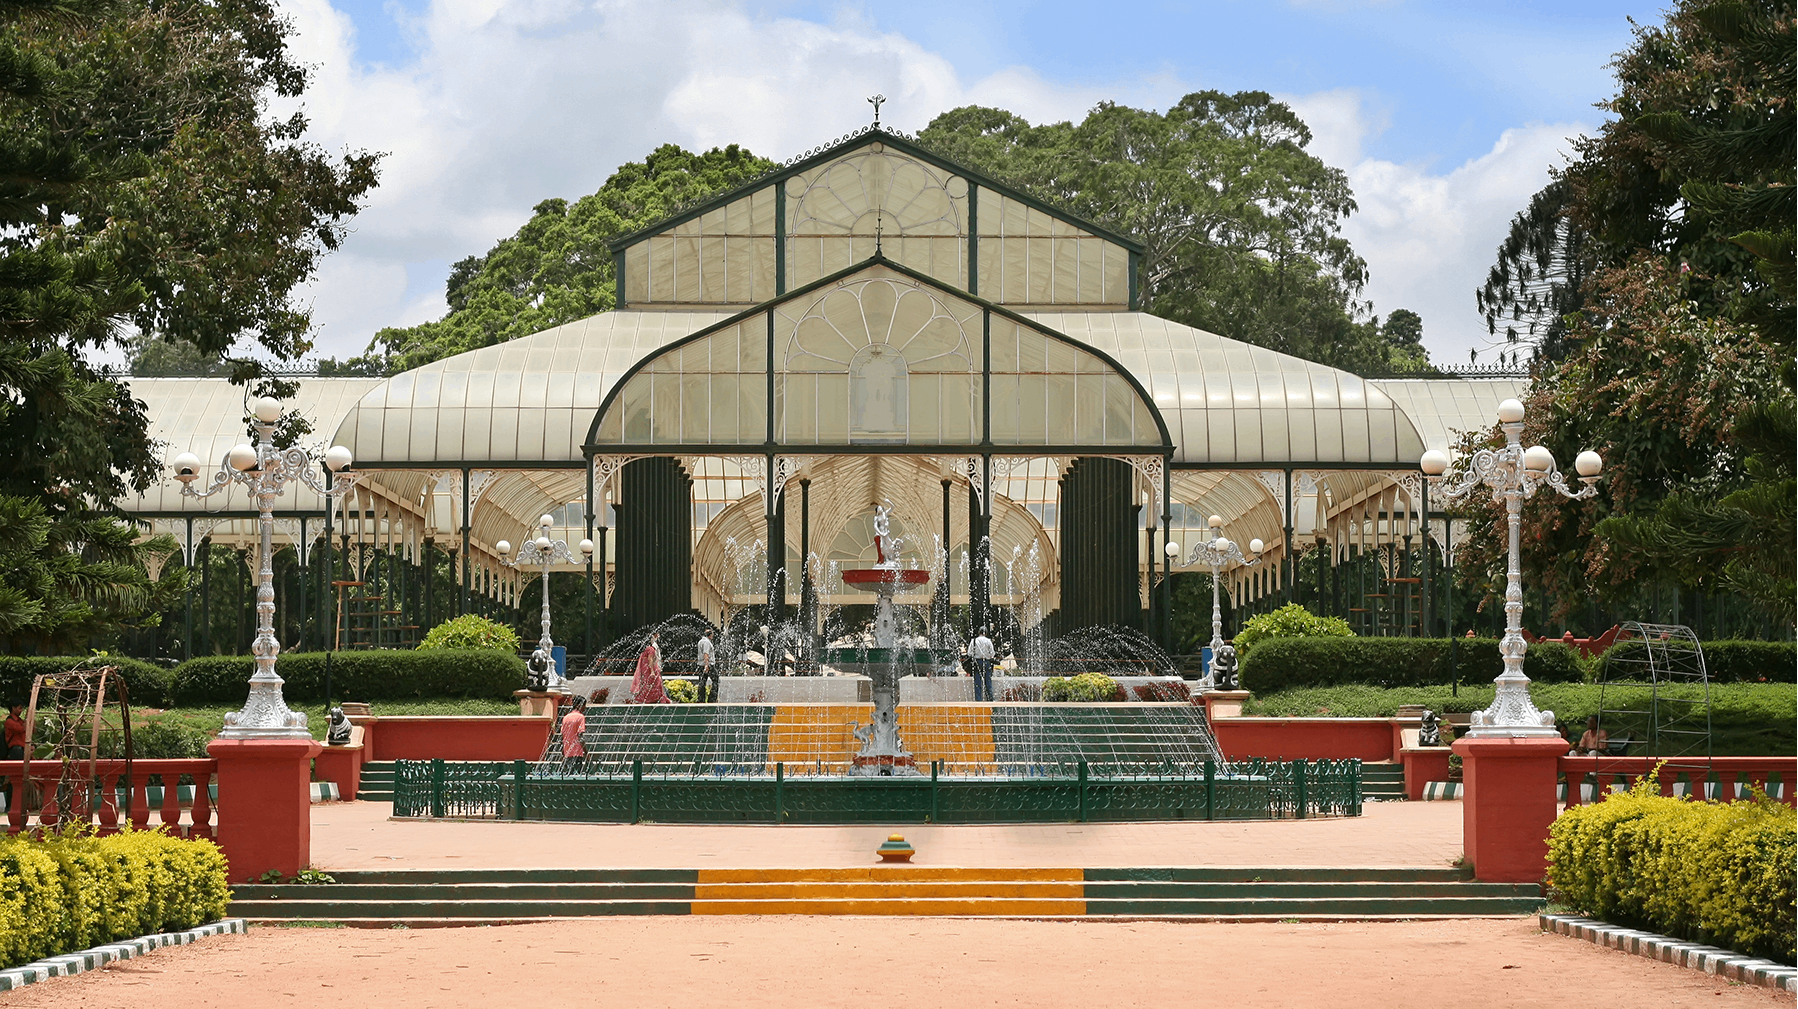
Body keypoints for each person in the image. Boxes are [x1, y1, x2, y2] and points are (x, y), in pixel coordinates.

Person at [631, 632, 671, 704]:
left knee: (649, 684)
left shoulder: (647, 649)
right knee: (655, 683)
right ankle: (655, 698)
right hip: (650, 669)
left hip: (646, 669)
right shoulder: (651, 649)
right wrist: (652, 671)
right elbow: (650, 659)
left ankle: (650, 698)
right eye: (656, 635)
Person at [560, 695, 588, 768]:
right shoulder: (581, 717)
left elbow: (562, 736)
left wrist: (563, 753)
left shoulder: (565, 718)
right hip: (577, 752)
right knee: (576, 775)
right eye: (584, 705)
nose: (585, 707)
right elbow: (580, 736)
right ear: (578, 705)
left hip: (567, 752)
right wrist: (586, 751)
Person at [969, 628, 996, 702]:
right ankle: (990, 699)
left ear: (979, 632)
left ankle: (978, 700)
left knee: (977, 682)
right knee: (988, 681)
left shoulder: (973, 641)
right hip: (986, 662)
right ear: (986, 633)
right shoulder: (988, 641)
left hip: (977, 662)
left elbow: (969, 653)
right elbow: (992, 653)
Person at [696, 631, 718, 703]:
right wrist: (707, 665)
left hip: (701, 664)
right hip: (709, 665)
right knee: (715, 680)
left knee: (702, 682)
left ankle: (701, 699)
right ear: (710, 635)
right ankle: (712, 699)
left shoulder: (700, 641)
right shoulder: (707, 642)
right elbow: (706, 654)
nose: (713, 636)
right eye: (712, 635)